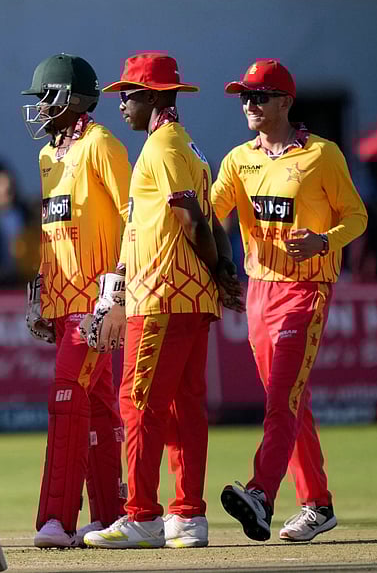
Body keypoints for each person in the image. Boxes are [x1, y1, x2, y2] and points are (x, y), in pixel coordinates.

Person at [82, 53, 243, 550]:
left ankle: (143, 514)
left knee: (138, 402)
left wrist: (220, 268)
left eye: (127, 95)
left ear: (152, 96)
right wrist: (222, 273)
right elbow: (199, 219)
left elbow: (193, 217)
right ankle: (187, 515)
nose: (122, 105)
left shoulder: (163, 145)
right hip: (187, 297)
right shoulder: (184, 145)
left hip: (163, 297)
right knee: (184, 407)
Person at [212, 60, 367, 543]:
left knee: (282, 399)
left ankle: (261, 494)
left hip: (306, 291)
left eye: (259, 96)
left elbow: (357, 216)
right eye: (244, 97)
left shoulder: (322, 155)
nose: (250, 105)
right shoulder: (239, 159)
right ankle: (318, 505)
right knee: (291, 402)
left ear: (285, 102)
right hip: (260, 291)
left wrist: (323, 241)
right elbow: (210, 212)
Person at [20, 54, 128, 548]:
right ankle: (112, 516)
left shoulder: (102, 144)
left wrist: (119, 287)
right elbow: (54, 230)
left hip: (96, 300)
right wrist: (42, 291)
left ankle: (56, 519)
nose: (41, 107)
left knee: (65, 393)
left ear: (77, 99)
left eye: (48, 96)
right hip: (64, 301)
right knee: (99, 406)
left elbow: (135, 218)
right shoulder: (49, 155)